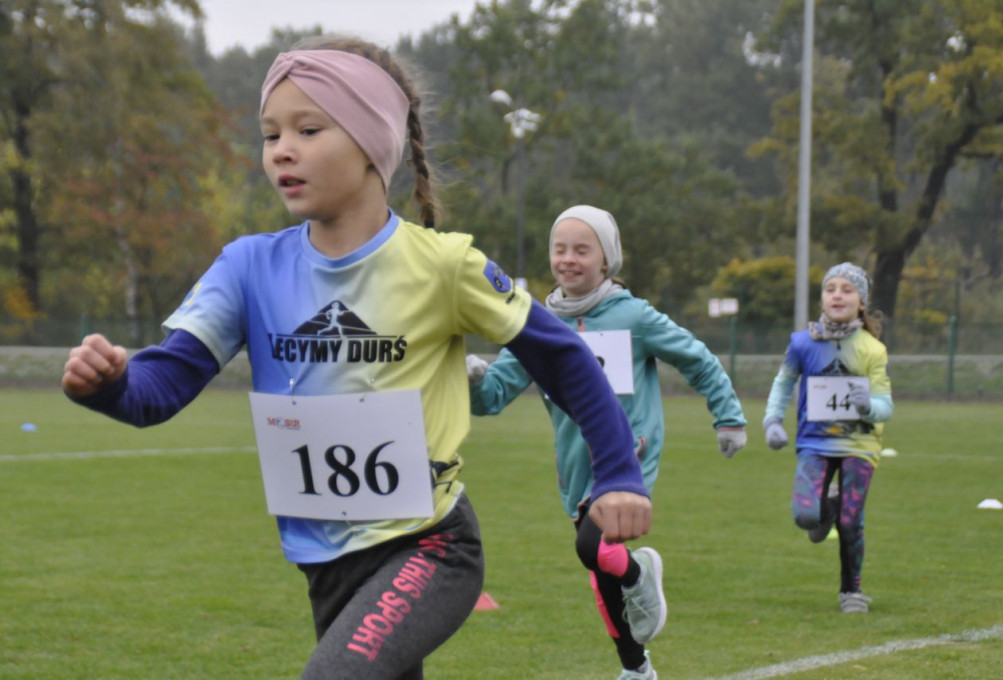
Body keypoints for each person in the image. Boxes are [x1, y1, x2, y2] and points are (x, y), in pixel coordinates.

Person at [60, 37, 653, 680]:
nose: (281, 149)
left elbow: (564, 360)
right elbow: (162, 386)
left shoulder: (444, 265)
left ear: (374, 143)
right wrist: (111, 384)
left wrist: (618, 475)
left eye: (308, 129)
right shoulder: (248, 267)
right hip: (324, 562)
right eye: (270, 134)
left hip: (431, 547)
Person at [465, 205, 747, 680]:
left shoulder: (632, 315)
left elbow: (697, 358)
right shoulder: (534, 323)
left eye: (582, 249)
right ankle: (637, 669)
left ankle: (641, 575)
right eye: (560, 249)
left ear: (606, 259)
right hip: (575, 467)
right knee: (600, 574)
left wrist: (729, 417)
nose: (568, 259)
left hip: (629, 456)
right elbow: (492, 397)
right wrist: (473, 379)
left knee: (592, 546)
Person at [762, 262, 893, 614]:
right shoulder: (802, 343)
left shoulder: (872, 350)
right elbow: (784, 382)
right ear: (822, 298)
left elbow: (886, 405)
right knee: (805, 516)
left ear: (861, 302)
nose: (838, 295)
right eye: (831, 288)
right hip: (815, 443)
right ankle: (826, 507)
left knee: (851, 520)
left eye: (847, 290)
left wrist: (869, 407)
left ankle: (851, 591)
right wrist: (772, 420)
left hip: (859, 445)